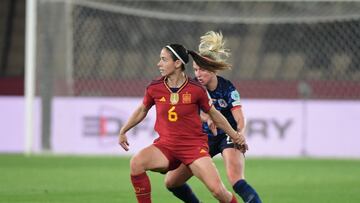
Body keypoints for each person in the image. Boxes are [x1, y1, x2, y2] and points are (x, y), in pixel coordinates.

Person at [118, 43, 247, 203]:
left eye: (164, 60)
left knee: (218, 191)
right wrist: (123, 130)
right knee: (136, 163)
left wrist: (235, 135)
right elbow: (142, 110)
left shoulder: (196, 89)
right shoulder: (155, 87)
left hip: (193, 148)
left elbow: (216, 115)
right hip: (166, 147)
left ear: (177, 63)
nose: (159, 64)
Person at [165, 31, 262, 203]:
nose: (198, 74)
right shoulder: (192, 87)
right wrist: (207, 119)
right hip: (203, 138)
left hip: (228, 135)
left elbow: (239, 117)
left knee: (236, 179)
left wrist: (239, 135)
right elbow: (196, 113)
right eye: (195, 69)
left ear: (214, 69)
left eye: (202, 69)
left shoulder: (227, 88)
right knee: (172, 182)